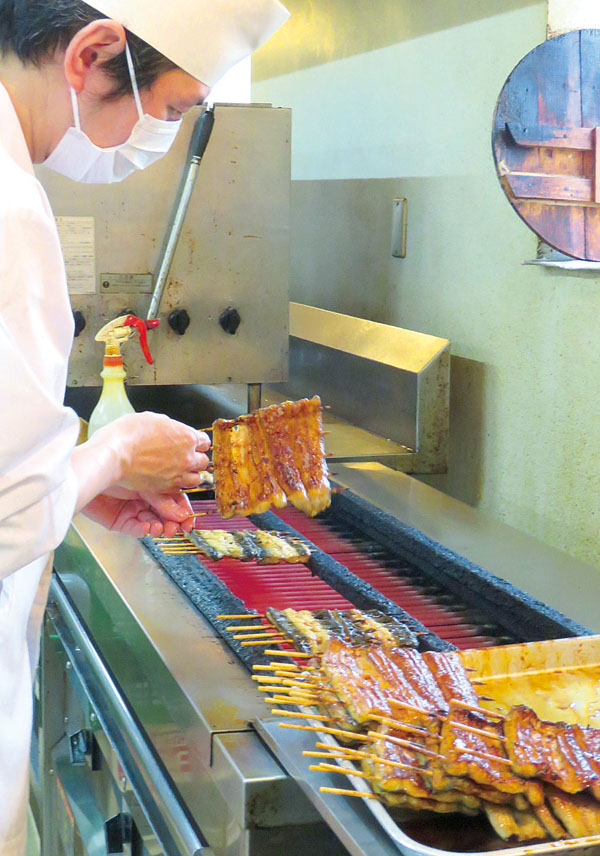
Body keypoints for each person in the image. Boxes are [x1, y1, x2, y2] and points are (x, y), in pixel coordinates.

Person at [0, 0, 289, 851]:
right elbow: (9, 514)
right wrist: (118, 449)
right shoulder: (9, 211)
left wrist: (76, 483)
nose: (158, 137)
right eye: (169, 109)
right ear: (93, 54)